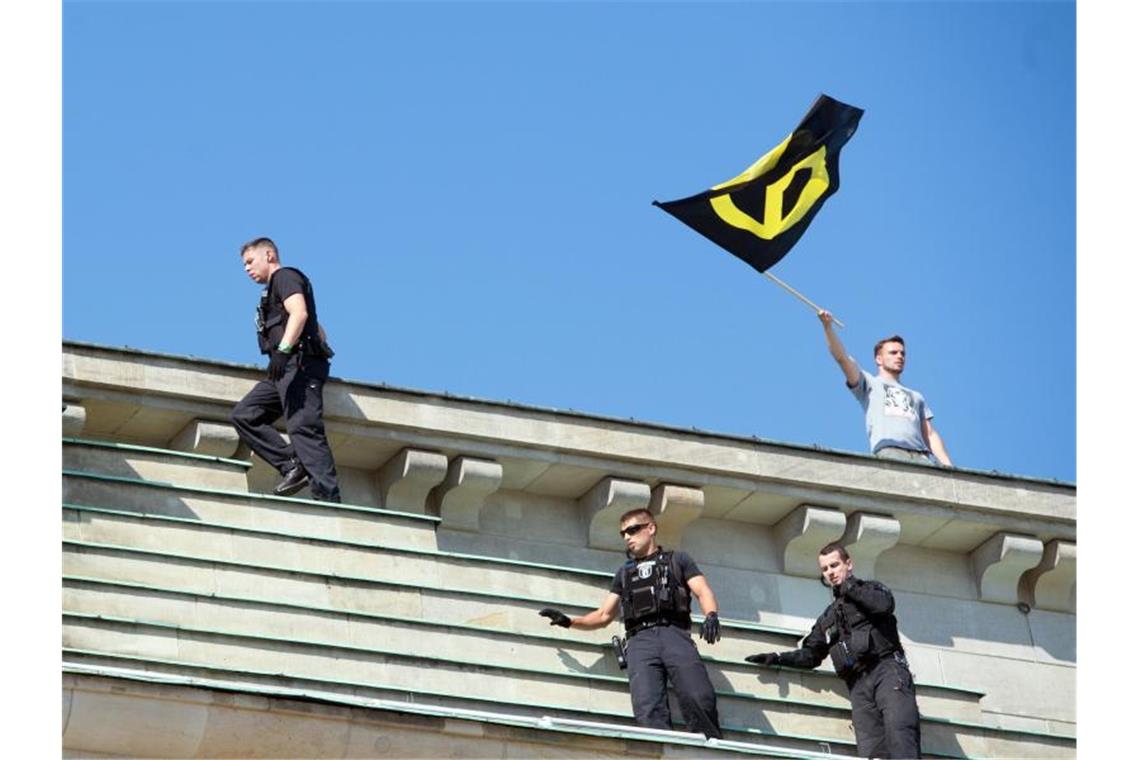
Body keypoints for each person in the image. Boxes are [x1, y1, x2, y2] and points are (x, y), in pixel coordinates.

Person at [537, 508, 723, 738]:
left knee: (698, 696)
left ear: (651, 528)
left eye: (633, 530)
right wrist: (569, 621)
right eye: (623, 533)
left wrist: (711, 614)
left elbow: (703, 590)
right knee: (647, 707)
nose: (627, 537)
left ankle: (709, 749)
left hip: (674, 633)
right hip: (639, 642)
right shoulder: (624, 573)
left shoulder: (678, 560)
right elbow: (605, 614)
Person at [745, 543, 921, 758]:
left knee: (900, 737)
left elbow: (884, 605)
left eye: (835, 565)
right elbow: (811, 654)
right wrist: (778, 658)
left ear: (849, 564)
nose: (830, 572)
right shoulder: (828, 617)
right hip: (858, 685)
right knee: (872, 751)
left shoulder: (872, 590)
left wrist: (850, 588)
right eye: (825, 569)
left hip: (887, 672)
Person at [229, 237, 341, 502]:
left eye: (250, 261)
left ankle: (328, 501)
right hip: (282, 368)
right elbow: (316, 327)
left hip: (297, 364)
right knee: (245, 415)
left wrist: (286, 349)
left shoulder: (285, 277)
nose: (246, 269)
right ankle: (293, 464)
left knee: (303, 427)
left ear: (268, 255)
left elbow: (300, 314)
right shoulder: (270, 293)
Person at [818, 310, 952, 466]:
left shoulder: (916, 396)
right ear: (879, 359)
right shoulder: (869, 383)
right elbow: (842, 358)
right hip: (889, 452)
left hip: (921, 458)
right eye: (893, 353)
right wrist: (827, 326)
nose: (900, 356)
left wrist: (949, 468)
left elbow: (929, 434)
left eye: (902, 353)